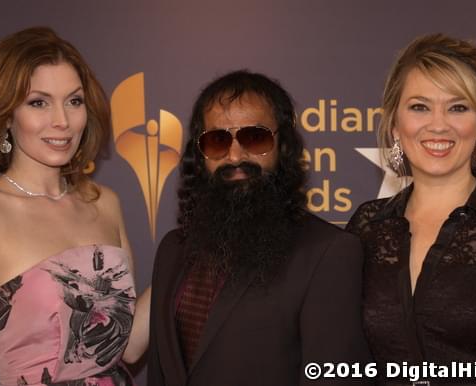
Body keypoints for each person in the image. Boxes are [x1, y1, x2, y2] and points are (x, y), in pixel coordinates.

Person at [147, 70, 371, 386]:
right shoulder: (173, 250)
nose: (235, 156)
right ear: (200, 154)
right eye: (217, 140)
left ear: (284, 147)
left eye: (255, 138)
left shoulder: (327, 253)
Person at [347, 33, 476, 384]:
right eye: (419, 106)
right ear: (395, 124)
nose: (438, 124)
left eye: (458, 107)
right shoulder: (368, 226)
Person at [0, 27, 148, 386]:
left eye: (74, 101)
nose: (62, 121)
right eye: (39, 102)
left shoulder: (105, 204)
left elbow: (127, 349)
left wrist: (194, 247)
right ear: (6, 115)